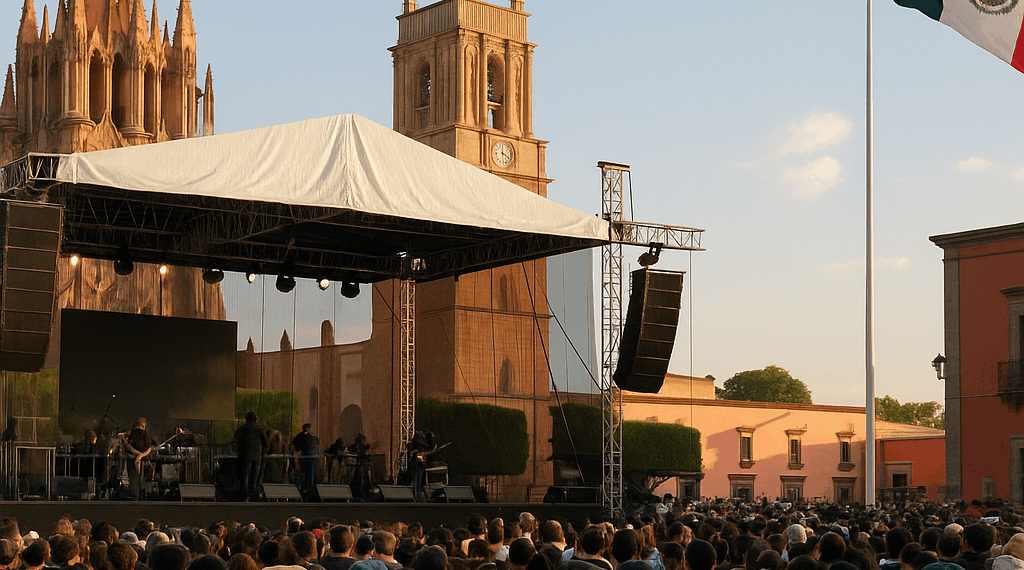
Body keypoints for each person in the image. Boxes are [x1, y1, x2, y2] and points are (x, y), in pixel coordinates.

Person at [233, 412, 267, 502]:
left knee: (245, 475)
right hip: (257, 456)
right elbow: (265, 443)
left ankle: (245, 495)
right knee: (254, 476)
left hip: (244, 456)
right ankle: (253, 494)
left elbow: (235, 438)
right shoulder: (260, 430)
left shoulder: (242, 429)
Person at [124, 417, 154, 500]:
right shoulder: (135, 434)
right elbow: (149, 447)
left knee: (137, 478)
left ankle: (137, 493)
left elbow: (149, 447)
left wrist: (140, 455)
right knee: (136, 478)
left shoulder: (143, 435)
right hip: (137, 458)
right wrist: (140, 454)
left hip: (139, 459)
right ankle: (138, 493)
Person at [292, 424, 321, 499]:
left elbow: (297, 447)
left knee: (304, 475)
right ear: (309, 429)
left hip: (304, 459)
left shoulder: (299, 437)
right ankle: (310, 491)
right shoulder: (314, 438)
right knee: (311, 476)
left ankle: (304, 490)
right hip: (313, 459)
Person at [407, 431, 434, 503]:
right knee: (416, 481)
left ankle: (419, 496)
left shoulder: (421, 447)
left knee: (420, 481)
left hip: (420, 466)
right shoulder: (413, 447)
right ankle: (416, 496)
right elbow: (412, 455)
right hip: (415, 466)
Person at [348, 434, 372, 500]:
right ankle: (359, 494)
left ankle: (362, 494)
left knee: (363, 480)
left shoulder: (363, 448)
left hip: (363, 466)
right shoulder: (357, 447)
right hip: (361, 466)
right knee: (360, 480)